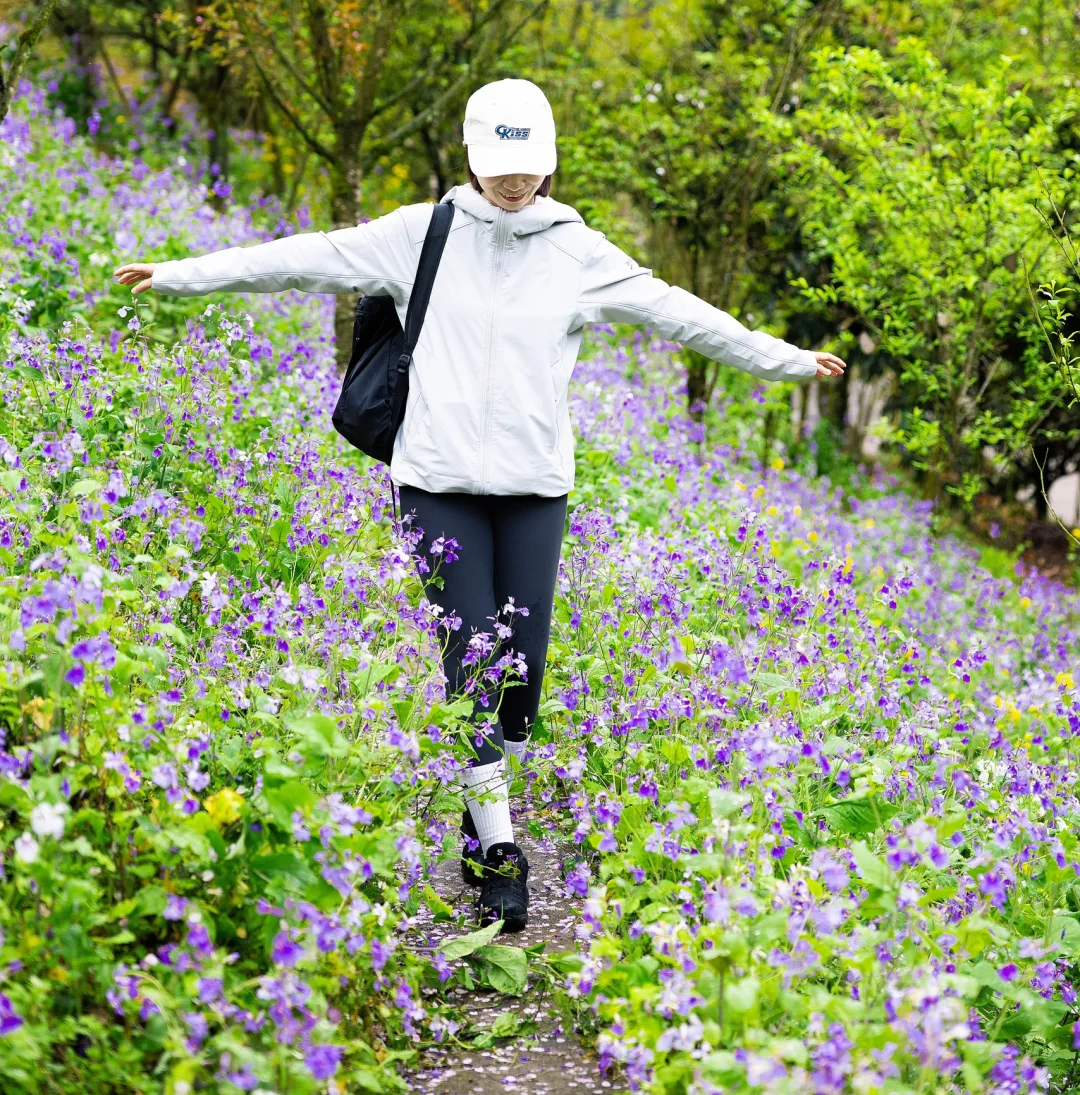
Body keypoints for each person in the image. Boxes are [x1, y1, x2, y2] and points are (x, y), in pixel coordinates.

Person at [116, 77, 845, 932]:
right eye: (501, 165)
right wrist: (176, 275)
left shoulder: (581, 253)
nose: (514, 182)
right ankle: (497, 853)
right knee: (474, 666)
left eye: (529, 165)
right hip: (436, 483)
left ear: (549, 161)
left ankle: (482, 792)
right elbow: (297, 256)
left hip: (535, 489)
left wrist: (786, 358)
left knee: (522, 681)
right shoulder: (417, 233)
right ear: (471, 154)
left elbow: (682, 316)